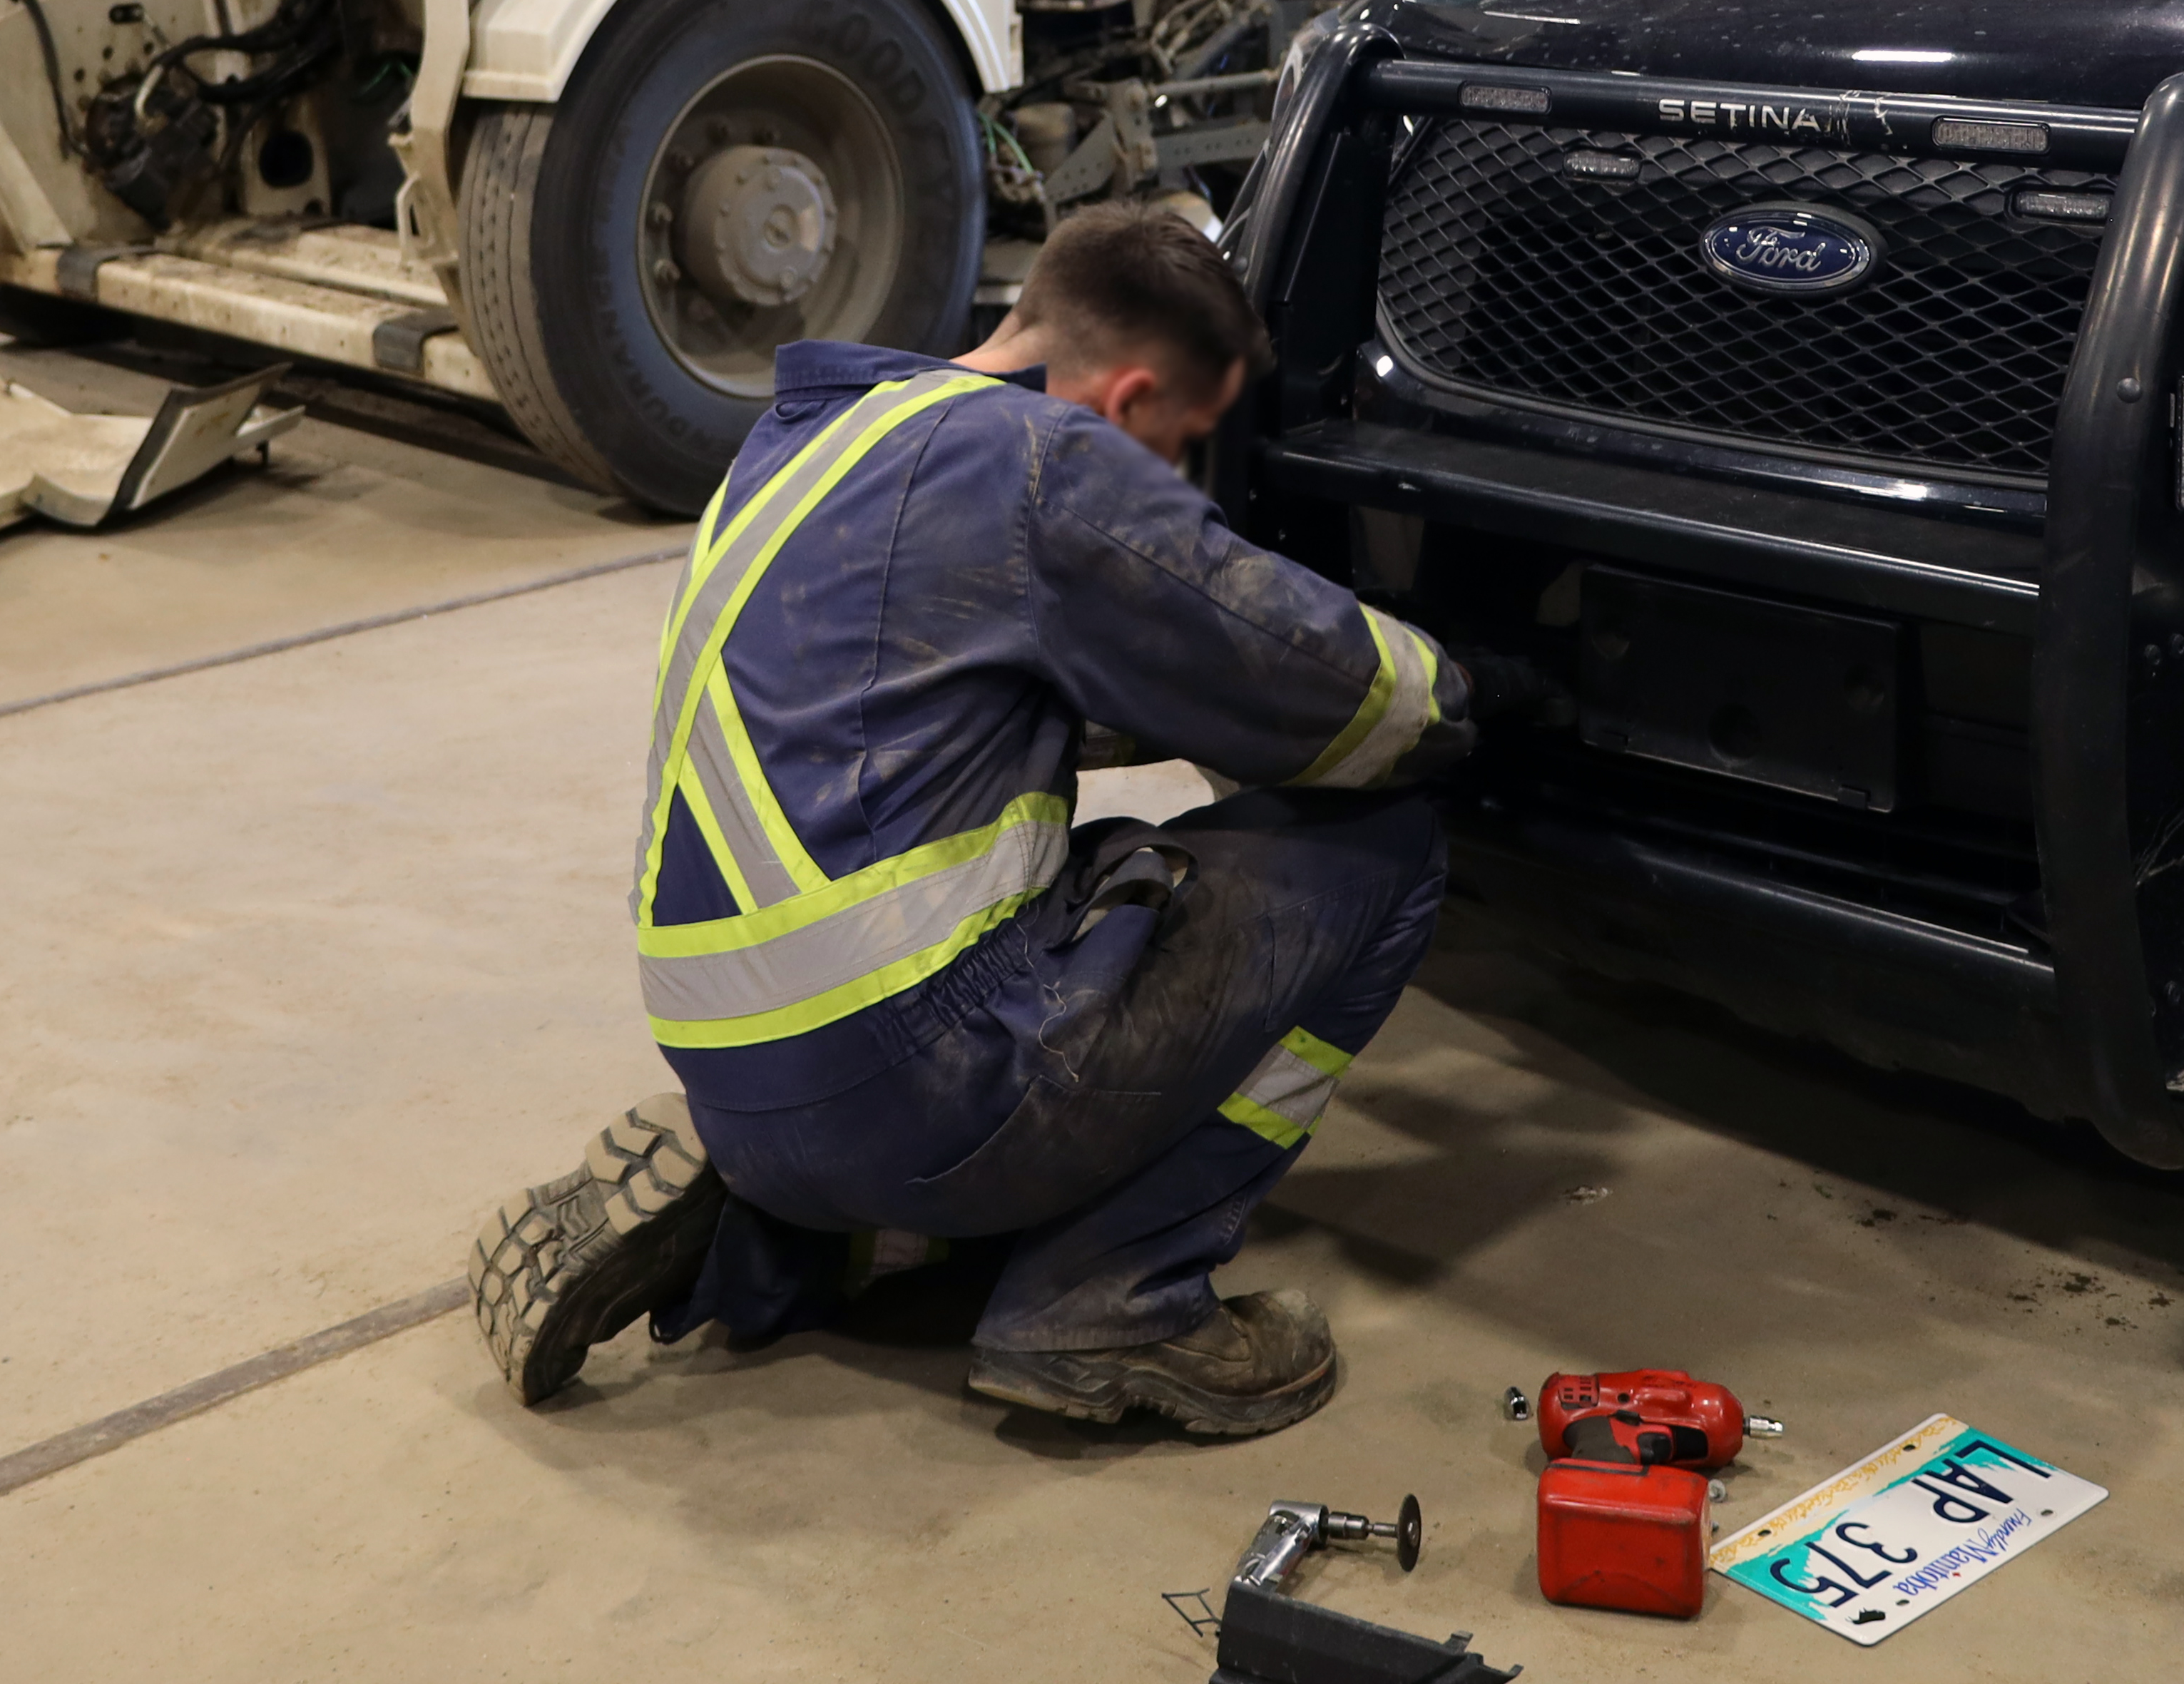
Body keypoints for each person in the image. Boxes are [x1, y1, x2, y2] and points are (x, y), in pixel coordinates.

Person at [471, 205, 1471, 1438]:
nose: (1175, 479)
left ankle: (762, 1240)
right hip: (923, 1079)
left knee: (1111, 873)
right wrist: (1481, 694)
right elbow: (1323, 684)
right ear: (1134, 394)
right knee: (1383, 853)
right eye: (1182, 444)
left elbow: (976, 713)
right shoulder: (1052, 460)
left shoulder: (808, 447)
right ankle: (1112, 1302)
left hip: (736, 1075)